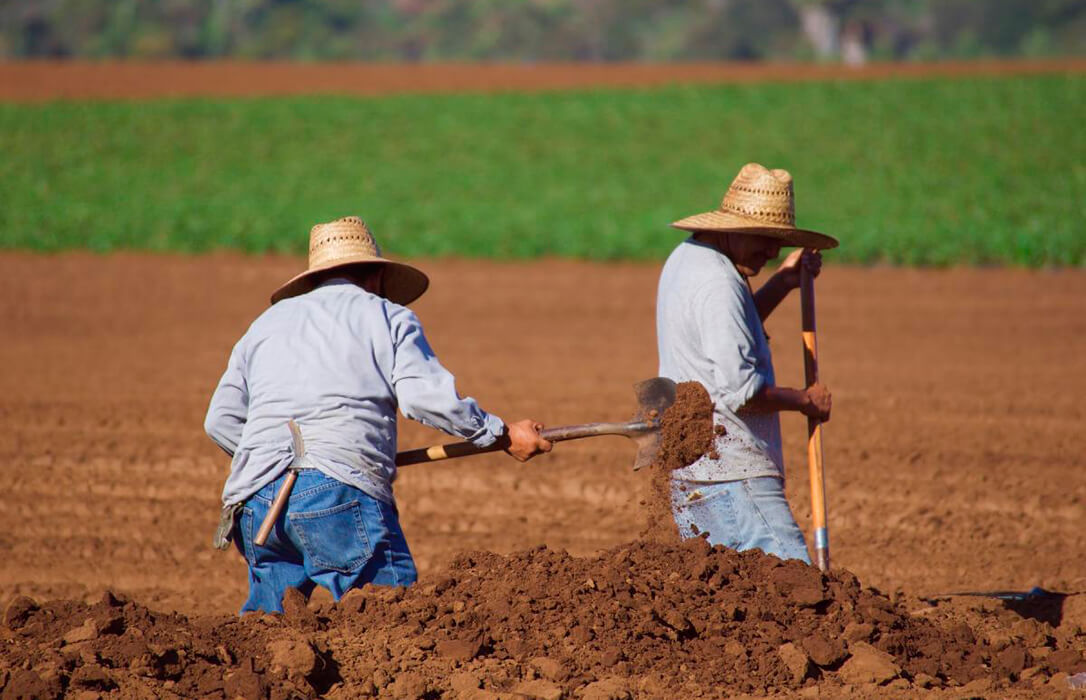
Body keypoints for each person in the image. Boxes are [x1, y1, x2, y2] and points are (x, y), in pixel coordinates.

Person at [205, 215, 551, 613]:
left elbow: (219, 420)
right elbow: (425, 399)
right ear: (377, 276)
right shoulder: (386, 316)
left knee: (267, 632)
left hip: (253, 498)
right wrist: (500, 433)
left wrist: (272, 457)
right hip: (335, 493)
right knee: (392, 622)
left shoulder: (264, 325)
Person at [656, 163, 837, 564]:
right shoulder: (719, 283)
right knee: (798, 589)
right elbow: (743, 392)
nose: (773, 252)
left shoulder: (688, 258)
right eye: (765, 239)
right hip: (734, 476)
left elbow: (727, 333)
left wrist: (782, 284)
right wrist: (805, 400)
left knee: (729, 607)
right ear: (733, 229)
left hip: (693, 474)